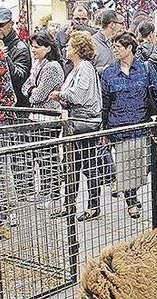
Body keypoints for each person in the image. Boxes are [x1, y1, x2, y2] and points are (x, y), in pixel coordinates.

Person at [101, 31, 157, 220]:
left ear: (129, 48)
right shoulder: (109, 73)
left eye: (118, 47)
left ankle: (132, 192)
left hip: (142, 125)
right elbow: (105, 102)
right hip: (119, 126)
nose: (115, 50)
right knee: (126, 167)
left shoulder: (146, 68)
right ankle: (131, 201)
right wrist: (105, 130)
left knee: (142, 167)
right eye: (114, 47)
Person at [50, 30, 103, 221]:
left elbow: (79, 95)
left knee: (88, 166)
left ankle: (93, 206)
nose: (66, 47)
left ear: (78, 49)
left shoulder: (85, 68)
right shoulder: (76, 68)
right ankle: (69, 205)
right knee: (72, 166)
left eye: (70, 45)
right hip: (76, 122)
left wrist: (60, 95)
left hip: (85, 123)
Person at [22, 31, 64, 210]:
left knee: (49, 158)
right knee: (40, 157)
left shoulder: (52, 67)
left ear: (48, 47)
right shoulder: (38, 64)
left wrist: (32, 90)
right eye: (32, 46)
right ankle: (46, 190)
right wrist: (32, 89)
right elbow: (26, 88)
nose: (33, 50)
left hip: (48, 118)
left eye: (37, 47)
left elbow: (36, 96)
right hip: (37, 117)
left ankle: (54, 194)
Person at [0, 6, 32, 108]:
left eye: (1, 25)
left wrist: (4, 57)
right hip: (0, 105)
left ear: (11, 24)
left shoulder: (20, 48)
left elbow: (20, 78)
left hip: (18, 106)